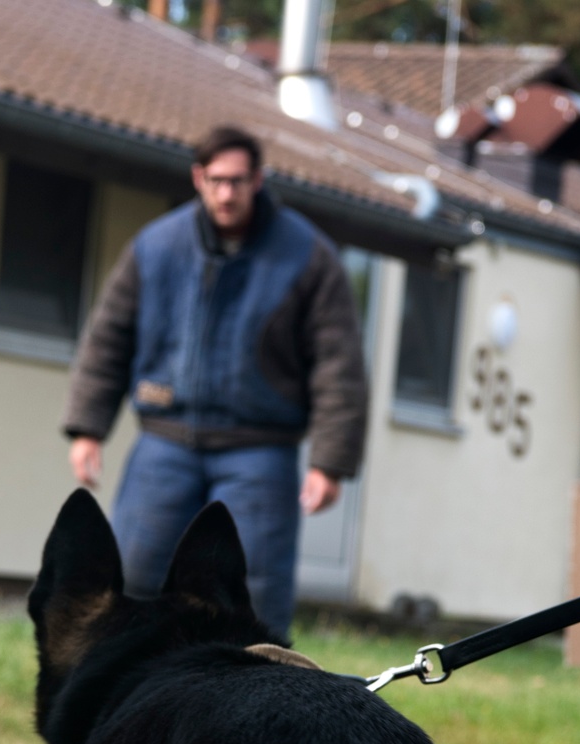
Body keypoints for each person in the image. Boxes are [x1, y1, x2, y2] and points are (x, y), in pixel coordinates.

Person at [63, 124, 368, 637]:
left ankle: (258, 703)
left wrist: (329, 462)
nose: (227, 193)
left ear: (259, 180)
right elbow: (108, 337)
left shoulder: (307, 256)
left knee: (256, 595)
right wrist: (86, 427)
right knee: (133, 577)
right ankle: (128, 695)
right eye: (217, 180)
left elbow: (339, 364)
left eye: (239, 181)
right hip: (165, 442)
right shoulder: (155, 247)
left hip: (259, 450)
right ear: (198, 178)